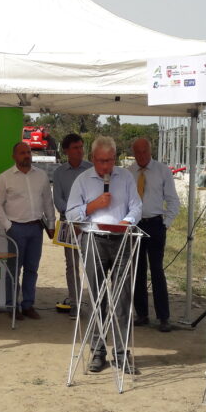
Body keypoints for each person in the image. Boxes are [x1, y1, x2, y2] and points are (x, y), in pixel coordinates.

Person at [66, 136, 142, 373]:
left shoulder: (126, 177)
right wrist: (93, 206)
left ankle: (121, 353)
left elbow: (137, 207)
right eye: (101, 161)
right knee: (97, 298)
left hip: (121, 240)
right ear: (92, 159)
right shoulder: (82, 180)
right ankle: (97, 351)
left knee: (122, 298)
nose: (106, 167)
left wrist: (125, 222)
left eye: (109, 161)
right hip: (93, 240)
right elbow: (70, 214)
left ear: (115, 159)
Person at [0, 142, 55, 320]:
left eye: (28, 152)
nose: (26, 155)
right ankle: (12, 306)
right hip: (16, 228)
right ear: (14, 156)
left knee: (32, 269)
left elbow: (48, 202)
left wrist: (51, 224)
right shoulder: (5, 178)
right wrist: (8, 226)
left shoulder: (41, 176)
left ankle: (28, 305)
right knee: (13, 270)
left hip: (36, 228)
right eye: (22, 153)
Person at [129, 137, 180, 333]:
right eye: (137, 152)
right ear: (133, 153)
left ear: (150, 151)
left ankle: (163, 317)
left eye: (144, 151)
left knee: (157, 271)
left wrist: (165, 224)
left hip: (155, 225)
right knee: (137, 271)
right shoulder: (129, 173)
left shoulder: (162, 171)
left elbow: (173, 201)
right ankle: (141, 314)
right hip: (135, 226)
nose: (141, 155)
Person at [52, 133, 92, 319]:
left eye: (81, 147)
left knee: (92, 264)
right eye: (76, 148)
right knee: (72, 265)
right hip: (69, 225)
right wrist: (73, 218)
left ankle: (95, 303)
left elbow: (95, 197)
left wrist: (82, 217)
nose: (80, 151)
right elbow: (58, 200)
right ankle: (75, 303)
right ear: (67, 150)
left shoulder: (91, 169)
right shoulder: (59, 172)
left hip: (89, 224)